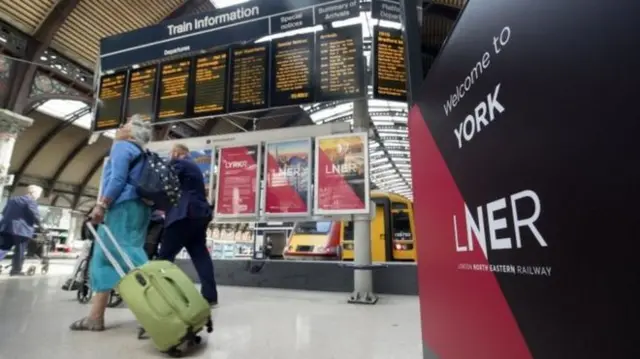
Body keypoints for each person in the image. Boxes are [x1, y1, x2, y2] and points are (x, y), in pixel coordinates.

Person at [70, 115, 153, 332]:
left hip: (122, 208)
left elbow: (117, 179)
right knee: (106, 257)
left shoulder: (122, 147)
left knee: (127, 257)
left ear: (132, 132)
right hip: (140, 209)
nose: (120, 126)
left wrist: (102, 205)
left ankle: (155, 311)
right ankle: (95, 316)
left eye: (125, 124)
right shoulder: (141, 152)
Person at [158, 143, 218, 305]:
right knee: (200, 255)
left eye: (171, 153)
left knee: (164, 257)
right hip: (200, 215)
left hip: (184, 214)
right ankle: (210, 296)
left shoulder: (180, 163)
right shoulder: (195, 167)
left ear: (177, 153)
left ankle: (160, 294)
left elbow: (162, 177)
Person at [0, 185, 43, 275]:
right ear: (33, 193)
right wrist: (41, 226)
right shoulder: (30, 201)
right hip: (22, 230)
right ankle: (16, 270)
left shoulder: (13, 200)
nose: (38, 196)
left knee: (3, 248)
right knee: (19, 250)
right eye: (39, 194)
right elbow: (35, 215)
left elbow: (4, 212)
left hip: (6, 227)